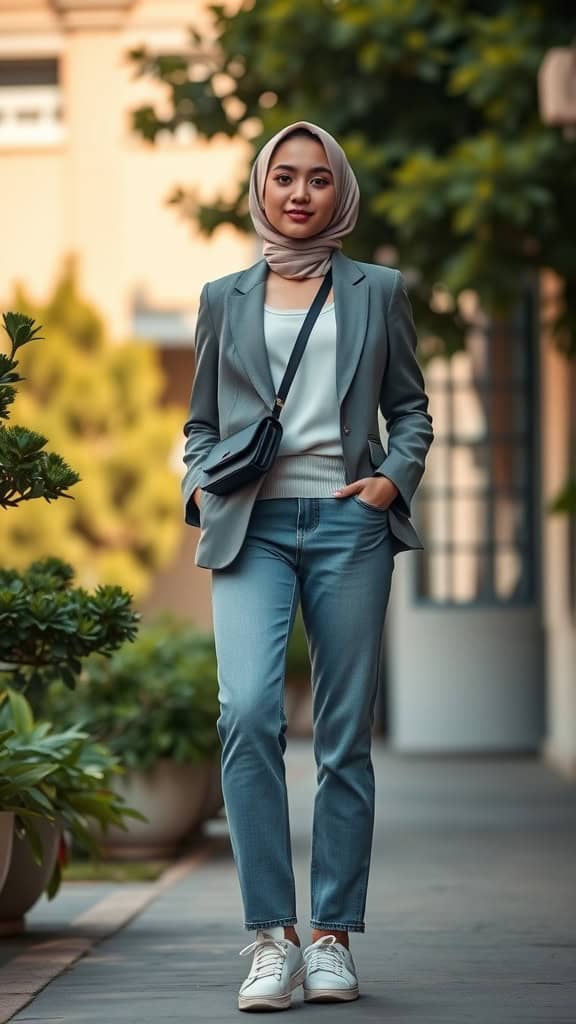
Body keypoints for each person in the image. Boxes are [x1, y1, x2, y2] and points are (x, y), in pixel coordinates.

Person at [182, 120, 434, 1012]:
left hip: (347, 524)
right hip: (251, 528)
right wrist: (202, 485)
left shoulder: (378, 291)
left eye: (317, 180)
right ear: (260, 189)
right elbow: (202, 425)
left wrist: (388, 483)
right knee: (247, 712)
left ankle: (331, 937)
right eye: (283, 177)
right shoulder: (223, 297)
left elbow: (411, 411)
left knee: (341, 738)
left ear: (341, 193)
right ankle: (270, 940)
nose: (299, 193)